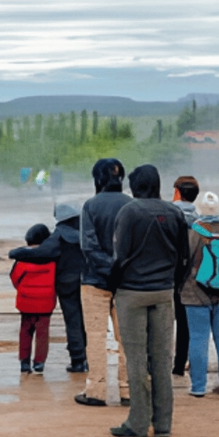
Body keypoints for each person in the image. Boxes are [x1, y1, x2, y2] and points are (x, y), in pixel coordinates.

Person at [108, 165, 187, 437]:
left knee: (136, 360)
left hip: (132, 292)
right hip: (164, 292)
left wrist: (113, 286)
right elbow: (184, 257)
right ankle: (163, 424)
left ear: (136, 186)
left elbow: (120, 256)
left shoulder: (129, 212)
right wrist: (172, 284)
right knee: (162, 359)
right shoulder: (174, 213)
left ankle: (138, 423)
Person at [78, 158, 132, 407]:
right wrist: (119, 271)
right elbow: (133, 247)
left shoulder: (91, 206)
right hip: (126, 283)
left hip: (94, 281)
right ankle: (127, 390)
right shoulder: (131, 205)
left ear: (97, 179)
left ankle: (96, 391)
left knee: (96, 337)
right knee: (126, 338)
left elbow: (88, 247)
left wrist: (107, 270)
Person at [9, 204, 87, 372]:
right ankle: (88, 358)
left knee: (73, 321)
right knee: (86, 321)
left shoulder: (59, 236)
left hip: (66, 286)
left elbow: (39, 253)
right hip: (88, 282)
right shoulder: (85, 233)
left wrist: (16, 253)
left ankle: (78, 360)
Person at [182, 191, 219, 397]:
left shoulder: (192, 233)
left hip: (194, 294)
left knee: (198, 339)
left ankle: (198, 387)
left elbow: (183, 263)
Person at [11, 225, 57, 374]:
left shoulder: (22, 260)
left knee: (25, 331)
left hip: (26, 302)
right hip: (46, 303)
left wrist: (23, 290)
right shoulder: (52, 259)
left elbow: (15, 278)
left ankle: (24, 362)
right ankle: (39, 362)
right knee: (42, 334)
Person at [170, 175, 200, 377]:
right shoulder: (199, 220)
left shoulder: (167, 215)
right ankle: (180, 364)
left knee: (162, 323)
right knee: (184, 323)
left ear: (177, 192)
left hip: (166, 275)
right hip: (190, 278)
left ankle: (159, 363)